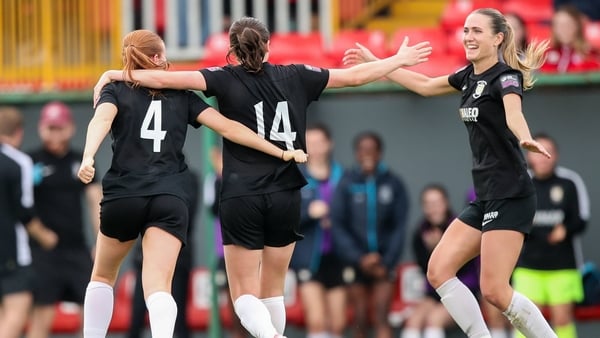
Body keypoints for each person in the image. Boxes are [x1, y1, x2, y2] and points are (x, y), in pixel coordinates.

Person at [92, 16, 431, 338]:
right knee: (273, 291)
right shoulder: (299, 74)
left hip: (241, 193)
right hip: (287, 190)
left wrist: (114, 73)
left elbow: (163, 78)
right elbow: (355, 77)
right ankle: (274, 330)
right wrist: (397, 59)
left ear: (232, 50)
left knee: (243, 295)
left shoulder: (223, 78)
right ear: (268, 45)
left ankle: (269, 333)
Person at [78, 29, 308, 338]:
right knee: (159, 285)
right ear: (158, 57)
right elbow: (229, 128)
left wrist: (88, 156)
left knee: (103, 276)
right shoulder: (182, 95)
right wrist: (280, 151)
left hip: (124, 193)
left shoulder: (116, 89)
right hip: (170, 196)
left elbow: (101, 121)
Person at [344, 7, 558, 338]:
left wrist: (524, 136)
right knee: (439, 270)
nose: (468, 37)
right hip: (486, 197)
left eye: (477, 31)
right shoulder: (467, 76)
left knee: (495, 291)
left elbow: (514, 113)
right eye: (465, 30)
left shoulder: (505, 77)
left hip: (511, 194)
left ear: (498, 38)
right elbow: (425, 86)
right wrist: (378, 60)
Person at [26, 101, 103, 338]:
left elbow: (95, 202)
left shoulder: (82, 160)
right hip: (43, 252)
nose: (55, 133)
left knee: (91, 317)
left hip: (77, 249)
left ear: (70, 128)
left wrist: (101, 243)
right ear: (41, 128)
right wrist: (40, 234)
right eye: (50, 127)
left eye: (59, 127)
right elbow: (21, 206)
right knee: (42, 317)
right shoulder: (31, 161)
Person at [330, 131, 409, 338]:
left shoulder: (393, 183)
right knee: (360, 318)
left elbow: (399, 226)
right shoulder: (346, 183)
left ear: (380, 152)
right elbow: (338, 225)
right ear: (356, 153)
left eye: (372, 150)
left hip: (384, 263)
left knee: (382, 316)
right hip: (356, 262)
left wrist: (386, 261)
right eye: (363, 150)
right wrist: (360, 258)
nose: (367, 154)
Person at [512, 132, 590, 338]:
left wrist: (566, 229)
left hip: (562, 266)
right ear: (529, 156)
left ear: (554, 155)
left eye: (546, 152)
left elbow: (582, 218)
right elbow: (510, 219)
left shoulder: (569, 181)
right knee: (524, 319)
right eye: (535, 152)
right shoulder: (520, 183)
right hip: (527, 266)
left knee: (562, 319)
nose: (540, 157)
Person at [0, 107, 56, 338]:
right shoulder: (19, 162)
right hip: (11, 253)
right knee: (16, 314)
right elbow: (24, 211)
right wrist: (46, 237)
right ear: (19, 132)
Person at [290, 123, 347, 338]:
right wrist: (308, 213)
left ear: (329, 144)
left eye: (319, 142)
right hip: (307, 256)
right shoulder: (295, 177)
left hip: (338, 255)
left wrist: (334, 218)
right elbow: (284, 216)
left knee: (338, 323)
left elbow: (353, 215)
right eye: (309, 142)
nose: (314, 147)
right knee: (316, 320)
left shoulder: (343, 175)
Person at [127, 169, 200, 338]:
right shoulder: (146, 173)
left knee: (178, 315)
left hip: (178, 257)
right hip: (147, 257)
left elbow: (185, 217)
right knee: (138, 313)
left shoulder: (188, 178)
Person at [402, 184, 480, 338]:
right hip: (435, 293)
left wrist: (438, 248)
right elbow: (426, 270)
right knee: (413, 322)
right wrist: (430, 252)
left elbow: (461, 269)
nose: (434, 209)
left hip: (462, 290)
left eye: (437, 203)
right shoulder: (420, 232)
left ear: (446, 203)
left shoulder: (460, 228)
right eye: (428, 204)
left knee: (434, 320)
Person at [203, 145, 249, 338]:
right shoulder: (213, 180)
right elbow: (214, 208)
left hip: (252, 246)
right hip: (226, 249)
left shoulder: (249, 175)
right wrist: (222, 176)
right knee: (233, 297)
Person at [540, 5, 600, 73]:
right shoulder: (545, 55)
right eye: (558, 25)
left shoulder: (590, 54)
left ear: (577, 26)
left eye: (567, 24)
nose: (563, 29)